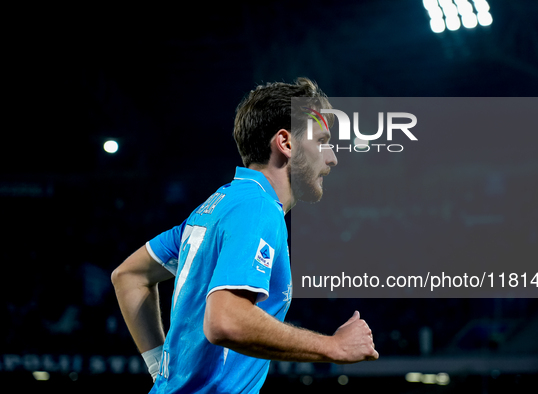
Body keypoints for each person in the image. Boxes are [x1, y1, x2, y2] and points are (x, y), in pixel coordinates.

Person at [111, 77, 379, 393]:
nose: (332, 158)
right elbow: (225, 321)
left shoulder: (218, 205)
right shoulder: (258, 208)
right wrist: (334, 346)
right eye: (321, 141)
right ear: (286, 143)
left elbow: (128, 276)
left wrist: (160, 369)